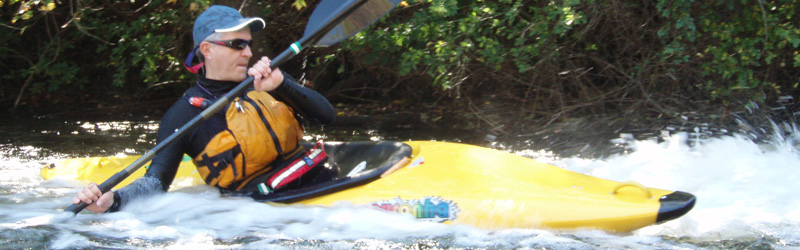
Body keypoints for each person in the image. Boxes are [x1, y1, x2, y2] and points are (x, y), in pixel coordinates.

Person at [73, 5, 336, 213]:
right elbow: (156, 182)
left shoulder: (266, 80)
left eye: (248, 44)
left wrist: (282, 84)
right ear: (207, 50)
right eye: (237, 44)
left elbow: (327, 117)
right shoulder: (184, 114)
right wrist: (114, 200)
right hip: (261, 209)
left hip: (317, 173)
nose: (247, 52)